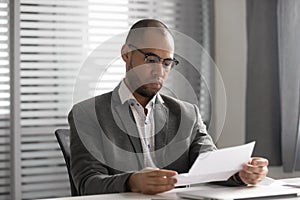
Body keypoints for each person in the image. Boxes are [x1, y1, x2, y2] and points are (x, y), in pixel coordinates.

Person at [68, 19, 268, 195]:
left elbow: (211, 166)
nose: (159, 70)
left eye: (167, 62)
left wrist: (241, 173)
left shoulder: (187, 114)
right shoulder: (87, 114)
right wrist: (132, 182)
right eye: (151, 59)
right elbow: (87, 184)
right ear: (126, 54)